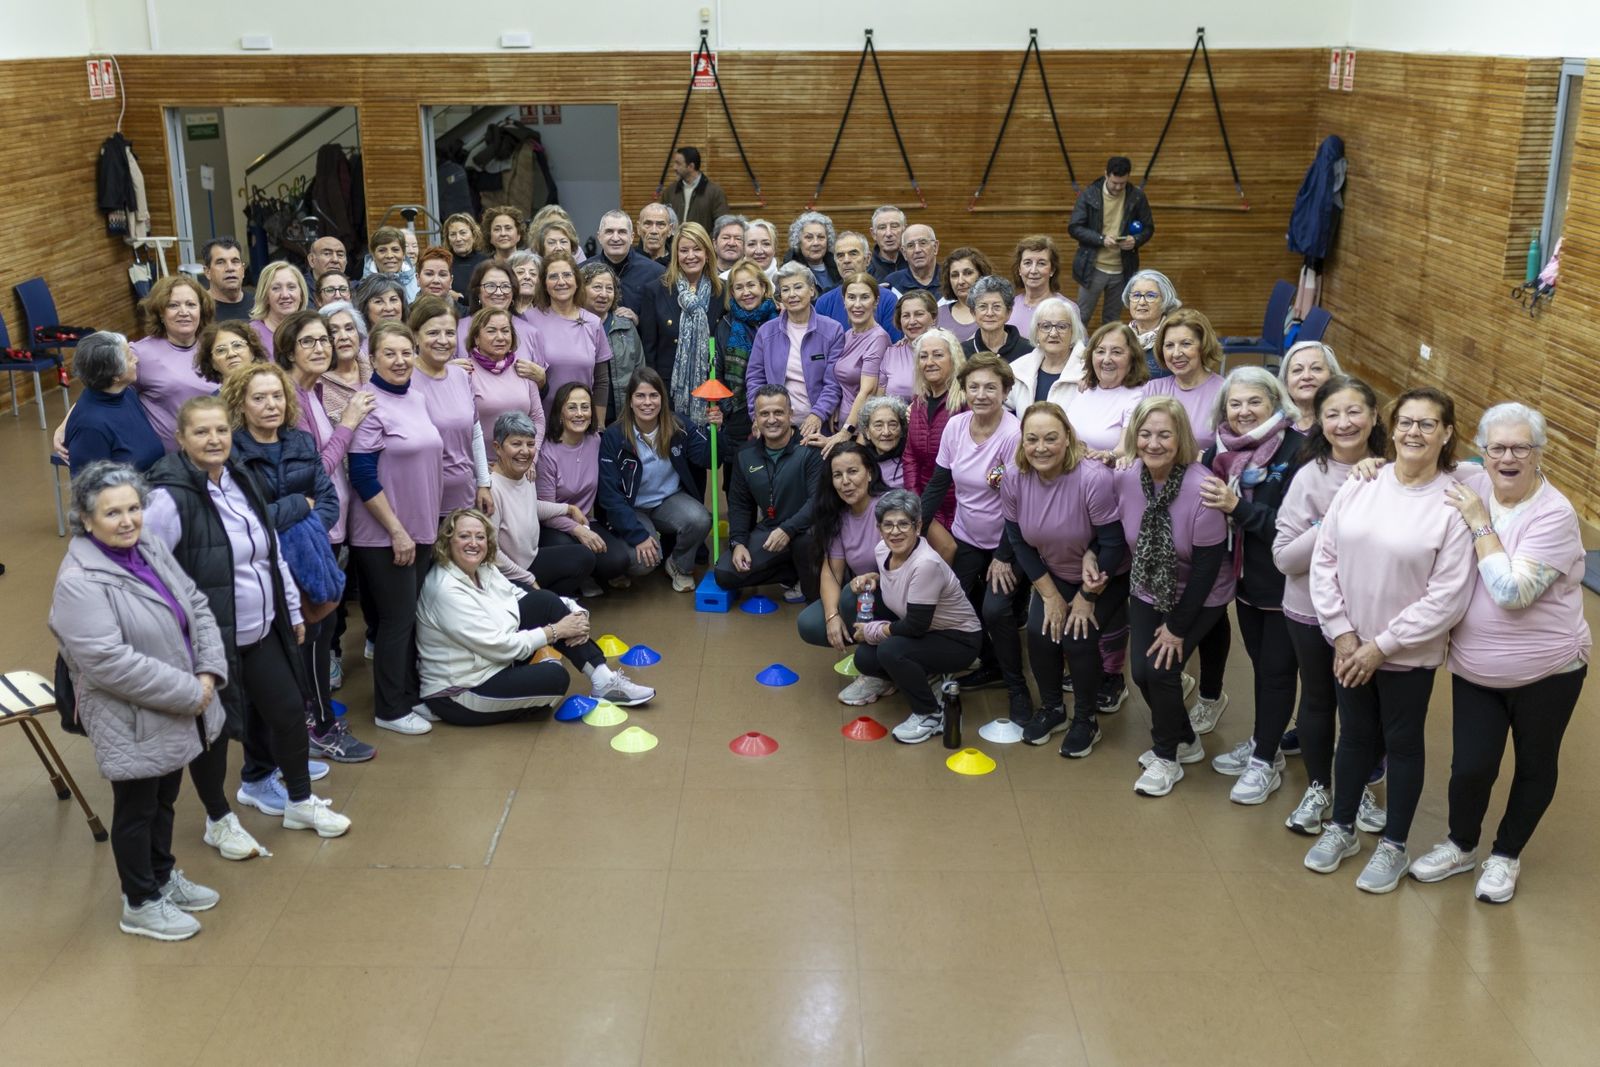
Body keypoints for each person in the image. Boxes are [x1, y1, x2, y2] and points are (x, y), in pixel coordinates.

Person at [144, 395, 349, 840]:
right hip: (207, 640)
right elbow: (151, 575)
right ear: (180, 439)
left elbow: (270, 553)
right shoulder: (168, 499)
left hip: (263, 627)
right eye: (201, 431)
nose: (213, 439)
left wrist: (291, 609)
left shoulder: (240, 480)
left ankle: (299, 802)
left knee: (290, 712)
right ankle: (219, 821)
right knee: (213, 736)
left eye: (220, 430)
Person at [1410, 403, 1591, 904]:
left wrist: (1478, 522)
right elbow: (1420, 461)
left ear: (1539, 454)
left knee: (1534, 765)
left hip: (1549, 671)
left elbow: (1512, 592)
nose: (1507, 457)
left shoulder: (1554, 514)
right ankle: (1460, 845)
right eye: (1497, 448)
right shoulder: (1476, 477)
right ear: (1482, 450)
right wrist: (1367, 464)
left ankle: (1506, 855)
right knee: (1470, 766)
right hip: (1476, 669)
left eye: (1521, 448)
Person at [1305, 386, 1475, 893]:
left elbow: (1448, 595)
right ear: (1392, 426)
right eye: (1406, 422)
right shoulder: (1364, 481)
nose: (1414, 432)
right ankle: (1341, 829)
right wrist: (1341, 634)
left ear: (1446, 434)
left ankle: (1393, 846)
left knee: (1402, 746)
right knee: (1354, 736)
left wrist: (1381, 646)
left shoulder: (1452, 502)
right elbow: (1325, 559)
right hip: (1349, 646)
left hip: (1405, 655)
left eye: (1427, 424)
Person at [50, 462, 228, 941]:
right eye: (112, 513)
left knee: (165, 797)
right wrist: (193, 692)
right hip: (131, 716)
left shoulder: (147, 547)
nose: (127, 520)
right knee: (136, 808)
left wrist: (209, 666)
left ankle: (162, 876)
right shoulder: (78, 582)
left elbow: (194, 603)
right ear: (86, 519)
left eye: (133, 508)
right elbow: (108, 663)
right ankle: (141, 902)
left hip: (177, 705)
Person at [1273, 376, 1390, 836]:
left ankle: (1355, 784)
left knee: (1361, 709)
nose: (1344, 423)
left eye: (1354, 411)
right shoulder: (1310, 476)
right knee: (1319, 701)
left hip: (1369, 618)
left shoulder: (1396, 473)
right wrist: (1336, 512)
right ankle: (1319, 786)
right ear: (1319, 422)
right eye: (1332, 415)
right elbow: (1285, 558)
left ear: (1375, 416)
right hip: (1309, 611)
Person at [415, 508, 653, 726]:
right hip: (461, 691)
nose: (474, 543)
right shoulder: (446, 589)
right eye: (464, 536)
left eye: (480, 537)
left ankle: (603, 680)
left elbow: (519, 596)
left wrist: (573, 611)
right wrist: (556, 631)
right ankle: (501, 703)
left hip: (489, 663)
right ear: (447, 541)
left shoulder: (482, 569)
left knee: (545, 601)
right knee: (555, 678)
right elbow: (499, 646)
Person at [1197, 368, 1305, 805]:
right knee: (1262, 667)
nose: (1243, 412)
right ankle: (1268, 742)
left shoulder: (1298, 451)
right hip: (1244, 578)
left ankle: (1264, 761)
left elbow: (1291, 527)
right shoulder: (1220, 451)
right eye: (1235, 403)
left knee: (1278, 672)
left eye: (1254, 402)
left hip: (1285, 581)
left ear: (1276, 403)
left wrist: (1237, 507)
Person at [274, 308, 378, 763]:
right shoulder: (290, 399)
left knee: (323, 626)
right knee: (313, 630)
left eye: (325, 340)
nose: (322, 347)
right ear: (288, 350)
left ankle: (312, 721)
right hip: (308, 529)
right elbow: (317, 469)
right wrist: (349, 423)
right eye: (310, 342)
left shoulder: (313, 390)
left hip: (329, 523)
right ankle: (316, 728)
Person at [1003, 402, 1128, 755]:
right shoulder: (1014, 477)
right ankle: (1053, 708)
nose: (1040, 447)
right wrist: (1050, 595)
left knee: (1077, 637)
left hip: (1106, 573)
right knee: (1041, 633)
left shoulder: (1092, 478)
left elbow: (1113, 544)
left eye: (1051, 438)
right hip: (1055, 572)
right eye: (1032, 439)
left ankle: (1086, 719)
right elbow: (1018, 541)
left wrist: (1087, 598)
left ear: (1068, 438)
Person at [348, 322, 447, 736]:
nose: (400, 360)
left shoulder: (417, 397)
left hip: (420, 527)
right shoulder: (368, 404)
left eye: (406, 352)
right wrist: (396, 530)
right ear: (372, 357)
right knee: (395, 621)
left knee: (410, 618)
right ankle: (389, 709)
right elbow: (362, 474)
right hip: (385, 535)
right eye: (390, 353)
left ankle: (408, 694)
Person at [919, 354, 1028, 717]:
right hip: (966, 534)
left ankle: (1017, 687)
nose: (981, 395)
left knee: (996, 611)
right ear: (963, 390)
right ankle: (991, 664)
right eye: (974, 387)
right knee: (957, 602)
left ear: (1006, 391)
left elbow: (1017, 504)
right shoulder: (956, 426)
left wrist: (1002, 555)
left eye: (991, 388)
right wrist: (915, 532)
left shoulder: (1013, 435)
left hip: (1008, 539)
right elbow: (937, 484)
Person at [848, 490, 980, 744]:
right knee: (865, 658)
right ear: (879, 528)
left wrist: (873, 631)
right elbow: (898, 582)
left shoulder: (926, 564)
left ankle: (930, 714)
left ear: (918, 526)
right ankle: (925, 674)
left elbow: (916, 626)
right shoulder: (882, 550)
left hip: (959, 640)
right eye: (888, 524)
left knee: (890, 651)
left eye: (903, 524)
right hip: (925, 632)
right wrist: (873, 578)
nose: (895, 531)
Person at [597, 368, 718, 591]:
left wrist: (717, 431)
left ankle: (678, 564)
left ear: (662, 399)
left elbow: (708, 459)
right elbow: (609, 495)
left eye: (654, 395)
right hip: (632, 508)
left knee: (700, 519)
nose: (647, 402)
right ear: (630, 401)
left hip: (667, 502)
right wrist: (639, 536)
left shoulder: (678, 426)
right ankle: (620, 563)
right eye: (640, 396)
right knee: (644, 562)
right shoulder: (615, 436)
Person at [797, 444, 889, 699]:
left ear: (869, 473)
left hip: (899, 598)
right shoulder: (839, 515)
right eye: (838, 475)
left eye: (853, 472)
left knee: (852, 596)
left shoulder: (888, 507)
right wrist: (831, 617)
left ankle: (877, 673)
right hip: (867, 598)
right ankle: (879, 663)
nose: (846, 482)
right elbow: (832, 572)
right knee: (810, 623)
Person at [714, 386, 822, 599]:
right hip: (771, 530)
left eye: (778, 412)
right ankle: (793, 574)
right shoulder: (745, 455)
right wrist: (738, 543)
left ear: (790, 414)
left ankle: (813, 590)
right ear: (755, 417)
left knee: (805, 542)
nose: (772, 420)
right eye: (764, 413)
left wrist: (788, 529)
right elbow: (740, 505)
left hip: (808, 531)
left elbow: (818, 501)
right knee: (725, 573)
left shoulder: (810, 449)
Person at [488, 410, 596, 597]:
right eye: (516, 444)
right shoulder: (490, 489)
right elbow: (491, 553)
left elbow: (531, 506)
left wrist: (569, 509)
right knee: (546, 603)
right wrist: (528, 579)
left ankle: (546, 599)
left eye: (530, 444)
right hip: (504, 575)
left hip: (531, 560)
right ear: (497, 447)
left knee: (585, 558)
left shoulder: (525, 472)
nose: (525, 451)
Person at [537, 382, 633, 589]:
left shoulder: (595, 441)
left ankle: (589, 574)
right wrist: (578, 530)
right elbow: (544, 511)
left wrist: (586, 528)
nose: (579, 414)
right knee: (574, 553)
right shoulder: (547, 453)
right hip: (554, 526)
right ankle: (579, 578)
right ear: (560, 413)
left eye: (585, 407)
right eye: (572, 407)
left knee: (619, 561)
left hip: (588, 520)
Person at [406, 296, 492, 514]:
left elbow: (475, 432)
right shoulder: (404, 381)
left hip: (464, 497)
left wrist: (483, 483)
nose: (443, 340)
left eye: (450, 333)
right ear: (415, 336)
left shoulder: (462, 376)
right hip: (421, 501)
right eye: (433, 333)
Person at [744, 262, 846, 441]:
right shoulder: (766, 332)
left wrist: (818, 414)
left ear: (812, 290)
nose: (792, 295)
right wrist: (756, 417)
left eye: (798, 287)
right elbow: (755, 379)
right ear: (780, 296)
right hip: (775, 427)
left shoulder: (832, 330)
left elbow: (833, 383)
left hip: (817, 426)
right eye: (785, 289)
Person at [640, 222, 721, 425]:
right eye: (684, 250)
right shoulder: (656, 291)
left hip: (710, 393)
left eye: (697, 249)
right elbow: (649, 351)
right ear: (675, 255)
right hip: (668, 393)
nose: (690, 256)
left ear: (708, 253)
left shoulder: (722, 292)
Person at [131, 274, 216, 451]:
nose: (183, 312)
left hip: (217, 454)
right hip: (172, 464)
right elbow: (102, 388)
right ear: (160, 313)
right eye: (173, 305)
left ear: (201, 310)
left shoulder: (216, 347)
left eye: (191, 305)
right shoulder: (140, 353)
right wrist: (64, 426)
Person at [1068, 156, 1154, 328]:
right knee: (1081, 317)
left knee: (1112, 320)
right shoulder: (1090, 194)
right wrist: (1100, 239)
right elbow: (1075, 227)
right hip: (1093, 268)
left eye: (1122, 183)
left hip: (1122, 269)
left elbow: (1148, 228)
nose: (1117, 187)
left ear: (1128, 177)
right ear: (1106, 174)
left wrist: (1135, 240)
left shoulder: (1136, 196)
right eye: (1114, 182)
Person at [528, 250, 613, 423]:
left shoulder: (593, 323)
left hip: (581, 422)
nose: (561, 282)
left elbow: (602, 381)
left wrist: (599, 426)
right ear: (544, 284)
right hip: (541, 421)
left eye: (567, 275)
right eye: (553, 277)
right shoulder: (529, 320)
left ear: (576, 281)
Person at [63, 332, 164, 475]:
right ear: (116, 375)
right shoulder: (90, 426)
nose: (136, 359)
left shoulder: (127, 394)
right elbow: (90, 489)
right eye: (130, 358)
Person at [711, 257, 779, 451]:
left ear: (764, 287)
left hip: (779, 411)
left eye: (751, 285)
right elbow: (719, 372)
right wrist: (728, 409)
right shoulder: (725, 325)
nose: (746, 292)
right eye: (739, 287)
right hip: (739, 415)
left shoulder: (781, 318)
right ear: (732, 292)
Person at [462, 307, 546, 462]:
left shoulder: (522, 369)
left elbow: (538, 418)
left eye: (505, 331)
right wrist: (479, 468)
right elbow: (459, 428)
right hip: (480, 469)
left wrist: (532, 459)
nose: (500, 337)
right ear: (476, 338)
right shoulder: (465, 372)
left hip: (521, 468)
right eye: (491, 331)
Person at [819, 272, 891, 453]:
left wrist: (847, 431)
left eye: (864, 297)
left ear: (875, 301)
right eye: (851, 297)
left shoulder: (878, 338)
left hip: (860, 432)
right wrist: (835, 405)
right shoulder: (847, 335)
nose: (857, 304)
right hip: (842, 427)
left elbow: (868, 391)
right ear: (844, 301)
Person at [902, 328, 965, 532]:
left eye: (938, 355)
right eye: (923, 356)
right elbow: (910, 457)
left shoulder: (966, 401)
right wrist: (917, 500)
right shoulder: (918, 401)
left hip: (962, 505)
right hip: (927, 503)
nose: (929, 362)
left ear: (953, 359)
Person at [1145, 307, 1226, 449]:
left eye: (1186, 344)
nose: (1176, 353)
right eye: (1169, 345)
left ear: (1203, 345)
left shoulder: (1225, 391)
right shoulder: (1152, 390)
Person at [1064, 322, 1148, 457]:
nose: (1106, 359)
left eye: (1116, 352)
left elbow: (1125, 450)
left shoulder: (1138, 396)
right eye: (1100, 351)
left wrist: (1107, 455)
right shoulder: (1083, 388)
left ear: (1133, 357)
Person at [578, 261, 642, 424]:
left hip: (623, 417)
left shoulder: (625, 325)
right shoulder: (572, 324)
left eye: (609, 288)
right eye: (597, 287)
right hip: (582, 416)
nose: (604, 294)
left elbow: (640, 371)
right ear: (581, 289)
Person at [1006, 297, 1086, 412]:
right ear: (1036, 331)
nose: (1053, 333)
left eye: (1062, 326)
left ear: (1072, 332)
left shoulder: (1087, 371)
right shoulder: (1018, 370)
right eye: (1046, 326)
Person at [815, 231, 900, 339]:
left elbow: (893, 347)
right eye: (840, 255)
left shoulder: (888, 299)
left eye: (853, 254)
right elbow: (820, 347)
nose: (846, 260)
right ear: (836, 262)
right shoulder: (824, 302)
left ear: (868, 258)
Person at [459, 260, 546, 362]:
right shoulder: (458, 329)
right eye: (490, 286)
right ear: (478, 292)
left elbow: (541, 375)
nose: (499, 293)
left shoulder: (531, 333)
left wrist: (541, 376)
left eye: (505, 286)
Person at [592, 209, 666, 317]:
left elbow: (662, 320)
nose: (616, 238)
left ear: (631, 237)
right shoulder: (583, 271)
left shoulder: (656, 273)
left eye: (622, 232)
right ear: (599, 237)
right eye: (609, 231)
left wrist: (638, 321)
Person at [1122, 269, 1180, 380]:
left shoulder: (1174, 337)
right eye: (1136, 295)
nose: (1142, 302)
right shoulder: (1119, 337)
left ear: (1165, 301)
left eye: (1151, 296)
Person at [878, 289, 935, 401]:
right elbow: (879, 400)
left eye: (919, 314)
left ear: (934, 317)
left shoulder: (947, 351)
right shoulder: (891, 353)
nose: (912, 321)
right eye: (906, 316)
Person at [317, 301, 370, 422]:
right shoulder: (316, 384)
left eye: (349, 328)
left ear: (359, 334)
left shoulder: (377, 368)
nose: (344, 336)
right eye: (334, 331)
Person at [961, 276, 1034, 363]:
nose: (989, 313)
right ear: (973, 313)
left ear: (1008, 312)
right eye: (983, 306)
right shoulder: (962, 352)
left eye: (996, 307)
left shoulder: (1029, 351)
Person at [662, 146, 730, 234]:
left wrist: (705, 244)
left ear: (691, 166)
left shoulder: (715, 193)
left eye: (678, 164)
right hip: (674, 247)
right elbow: (662, 222)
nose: (674, 167)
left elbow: (722, 226)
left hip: (703, 247)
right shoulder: (669, 192)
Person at [1279, 340, 1343, 432]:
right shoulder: (1273, 423)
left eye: (1316, 368)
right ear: (1285, 382)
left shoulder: (1344, 423)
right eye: (1297, 370)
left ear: (1332, 376)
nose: (1306, 376)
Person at [1009, 235, 1069, 332]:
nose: (1033, 270)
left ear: (1052, 270)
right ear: (1019, 269)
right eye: (1027, 263)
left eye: (1041, 263)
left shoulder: (1066, 308)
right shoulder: (1009, 306)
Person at [248, 261, 308, 352]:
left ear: (301, 294)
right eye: (276, 288)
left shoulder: (312, 330)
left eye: (291, 287)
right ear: (265, 296)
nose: (285, 295)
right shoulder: (251, 334)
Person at [935, 246, 992, 343]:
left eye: (968, 273)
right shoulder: (938, 315)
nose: (960, 281)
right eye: (955, 275)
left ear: (981, 275)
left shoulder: (994, 312)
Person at [193, 320, 269, 386]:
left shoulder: (271, 392)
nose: (231, 354)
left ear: (252, 352)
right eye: (221, 350)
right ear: (212, 363)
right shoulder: (213, 402)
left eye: (237, 345)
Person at [785, 211, 840, 294]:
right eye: (809, 237)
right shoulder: (788, 271)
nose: (816, 243)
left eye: (821, 237)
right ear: (798, 241)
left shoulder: (839, 266)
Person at [861, 394, 908, 488]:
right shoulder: (861, 460)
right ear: (867, 432)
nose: (886, 432)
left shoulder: (910, 461)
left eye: (892, 424)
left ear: (902, 430)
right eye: (878, 425)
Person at [202, 238, 252, 321]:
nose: (230, 268)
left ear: (243, 270)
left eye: (235, 261)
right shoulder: (198, 309)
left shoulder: (259, 306)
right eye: (220, 262)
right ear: (207, 272)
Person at [883, 224, 940, 295]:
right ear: (904, 253)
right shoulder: (892, 283)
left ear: (935, 247)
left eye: (923, 243)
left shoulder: (950, 278)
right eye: (910, 245)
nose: (917, 250)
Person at [444, 212, 489, 297]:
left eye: (463, 233)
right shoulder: (444, 263)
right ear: (448, 239)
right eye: (453, 234)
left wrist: (459, 299)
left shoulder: (486, 263)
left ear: (474, 235)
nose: (458, 239)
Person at [867, 205, 908, 280]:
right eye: (882, 227)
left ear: (904, 231)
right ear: (873, 234)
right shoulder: (866, 268)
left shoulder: (914, 262)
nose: (888, 233)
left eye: (894, 226)